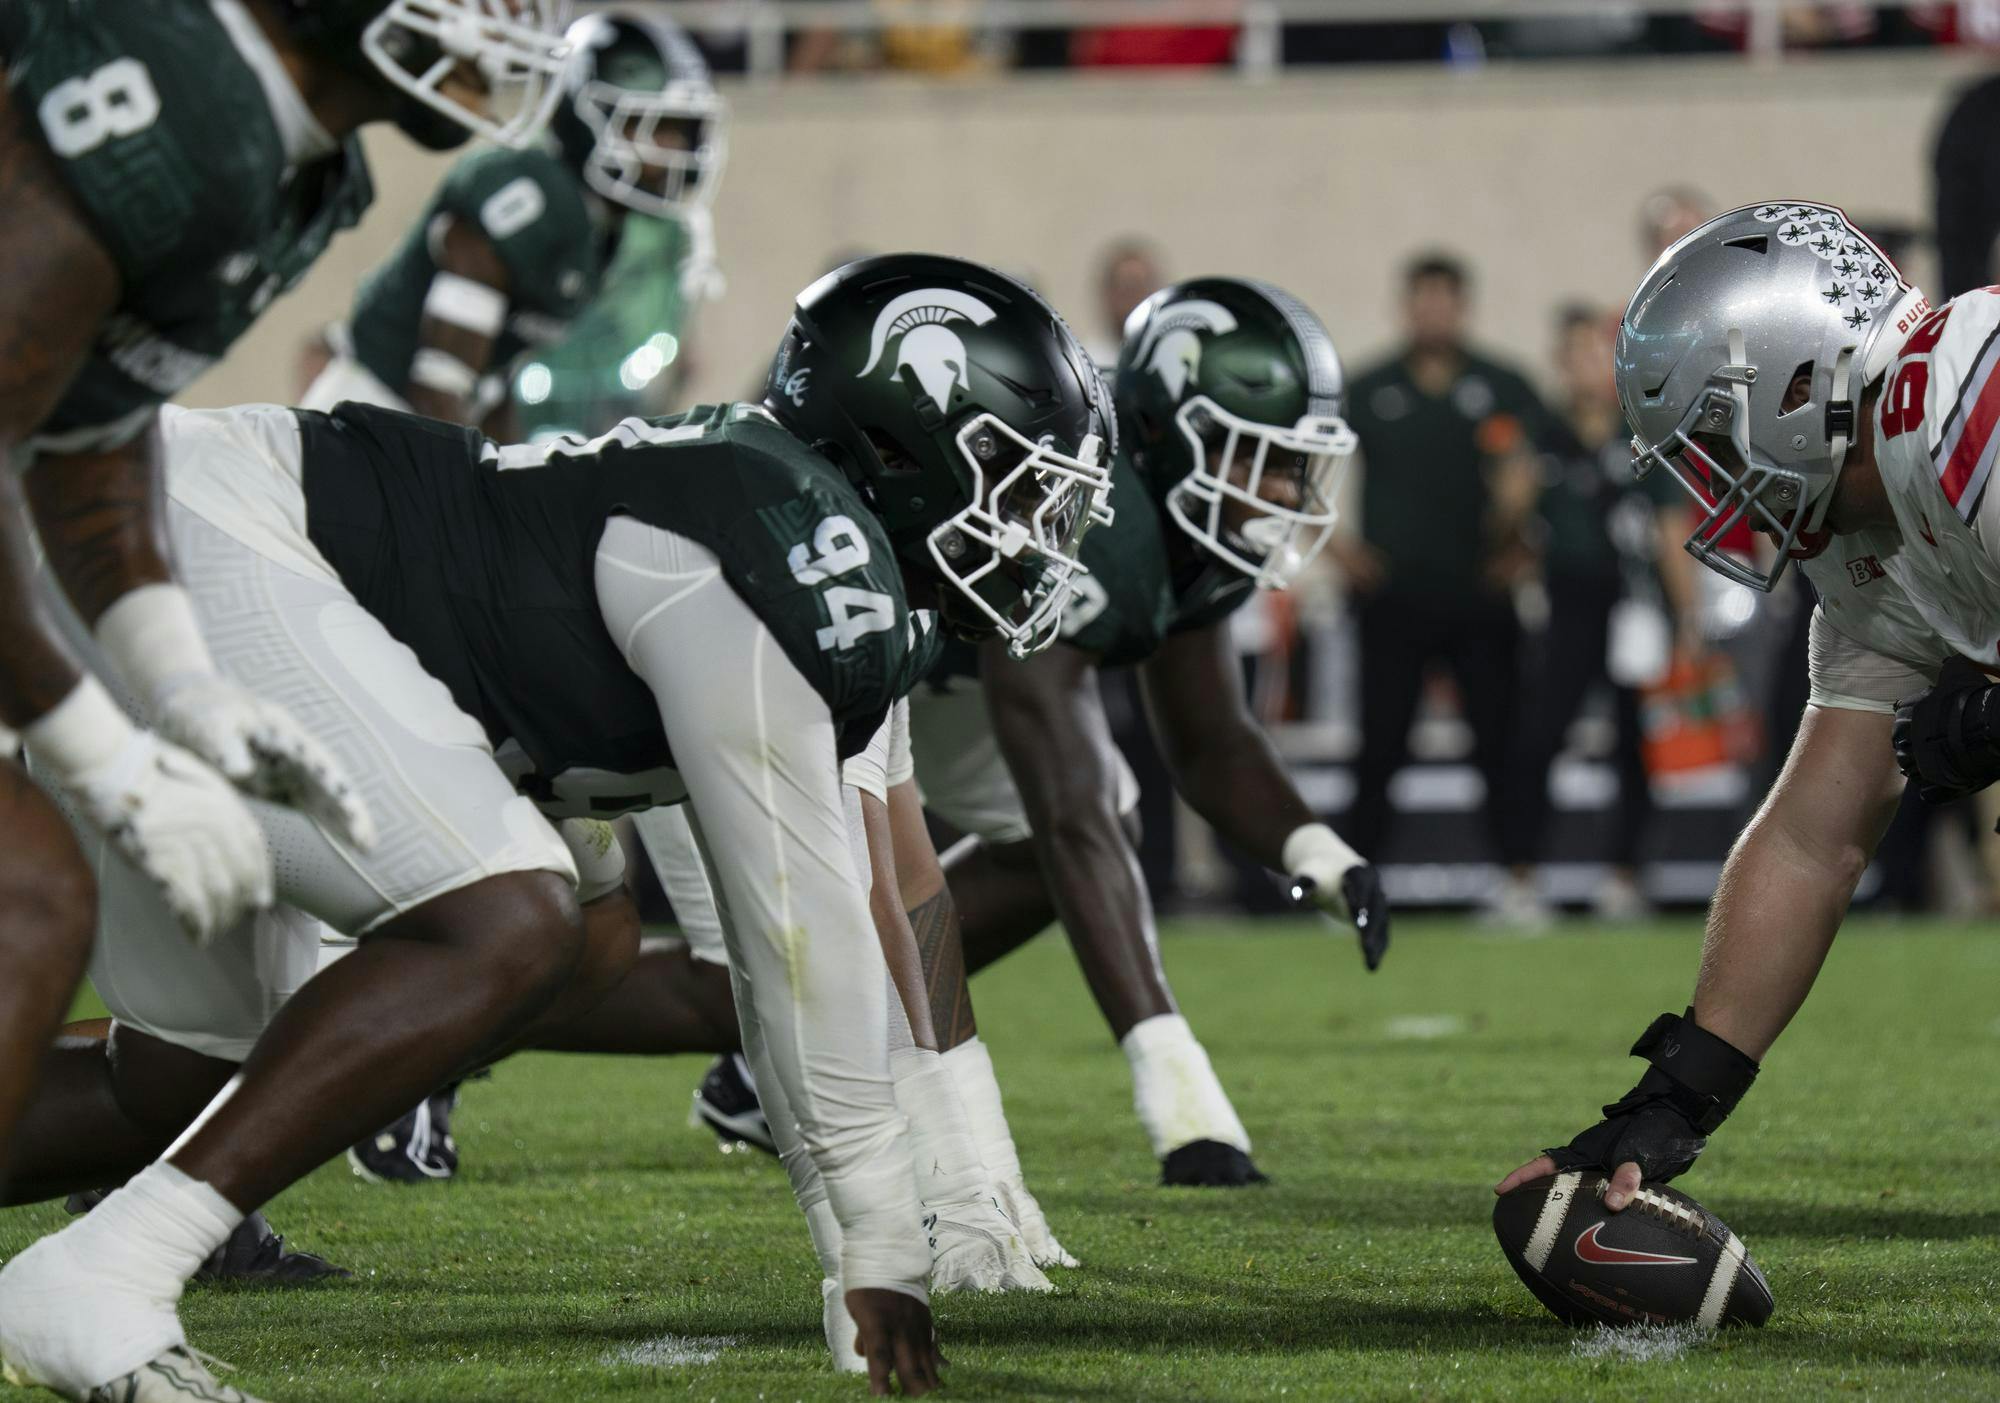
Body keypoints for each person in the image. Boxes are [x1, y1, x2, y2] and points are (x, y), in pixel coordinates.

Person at [0, 253, 1113, 1402]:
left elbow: (817, 935)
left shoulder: (813, 565)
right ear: (895, 445)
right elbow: (798, 939)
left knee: (196, 1075)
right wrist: (881, 1245)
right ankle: (103, 1272)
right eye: (1020, 485)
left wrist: (873, 1242)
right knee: (508, 914)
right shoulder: (788, 552)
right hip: (195, 535)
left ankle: (102, 1258)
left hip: (191, 532)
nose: (1039, 532)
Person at [0, 0, 568, 1307]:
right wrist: (100, 744)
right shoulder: (185, 96)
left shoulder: (306, 164)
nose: (507, 29)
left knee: (119, 976)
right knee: (31, 901)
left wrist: (176, 671)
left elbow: (92, 427)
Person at [671, 276, 1387, 1188]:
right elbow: (1067, 800)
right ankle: (458, 1014)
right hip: (779, 647)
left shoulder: (1188, 523)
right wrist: (1180, 1092)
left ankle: (766, 1071)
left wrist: (1315, 848)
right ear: (1172, 432)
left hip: (918, 668)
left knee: (1038, 853)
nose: (1288, 492)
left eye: (1298, 464)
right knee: (713, 982)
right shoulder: (1100, 508)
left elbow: (1209, 737)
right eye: (1264, 459)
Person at [298, 4, 729, 1186]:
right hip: (371, 471)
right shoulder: (527, 199)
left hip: (409, 470)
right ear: (587, 119)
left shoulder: (590, 227)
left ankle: (401, 1066)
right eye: (643, 128)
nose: (663, 155)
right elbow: (442, 388)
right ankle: (369, 1065)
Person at [1493, 202, 1985, 1223]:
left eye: (1713, 436)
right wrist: (1677, 1091)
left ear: (1798, 384)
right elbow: (1812, 837)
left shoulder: (1971, 397)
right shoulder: (1861, 539)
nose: (1712, 483)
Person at [1335, 253, 1547, 910]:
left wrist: (1522, 541)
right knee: (1378, 744)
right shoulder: (1370, 386)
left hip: (1480, 594)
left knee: (1500, 741)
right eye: (1420, 299)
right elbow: (1303, 465)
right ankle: (1354, 886)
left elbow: (1538, 475)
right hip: (1390, 597)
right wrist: (1337, 549)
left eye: (1444, 299)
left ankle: (1518, 881)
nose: (1432, 311)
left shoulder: (1503, 384)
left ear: (1462, 306)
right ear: (1406, 306)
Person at [1492, 306, 1701, 923]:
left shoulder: (1642, 433)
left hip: (1631, 604)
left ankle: (1624, 875)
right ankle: (1522, 876)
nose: (1585, 367)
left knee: (1636, 744)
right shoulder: (1540, 430)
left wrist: (1686, 618)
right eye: (1574, 353)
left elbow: (1669, 528)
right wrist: (1513, 490)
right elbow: (1506, 528)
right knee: (1538, 737)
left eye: (1595, 352)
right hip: (1567, 598)